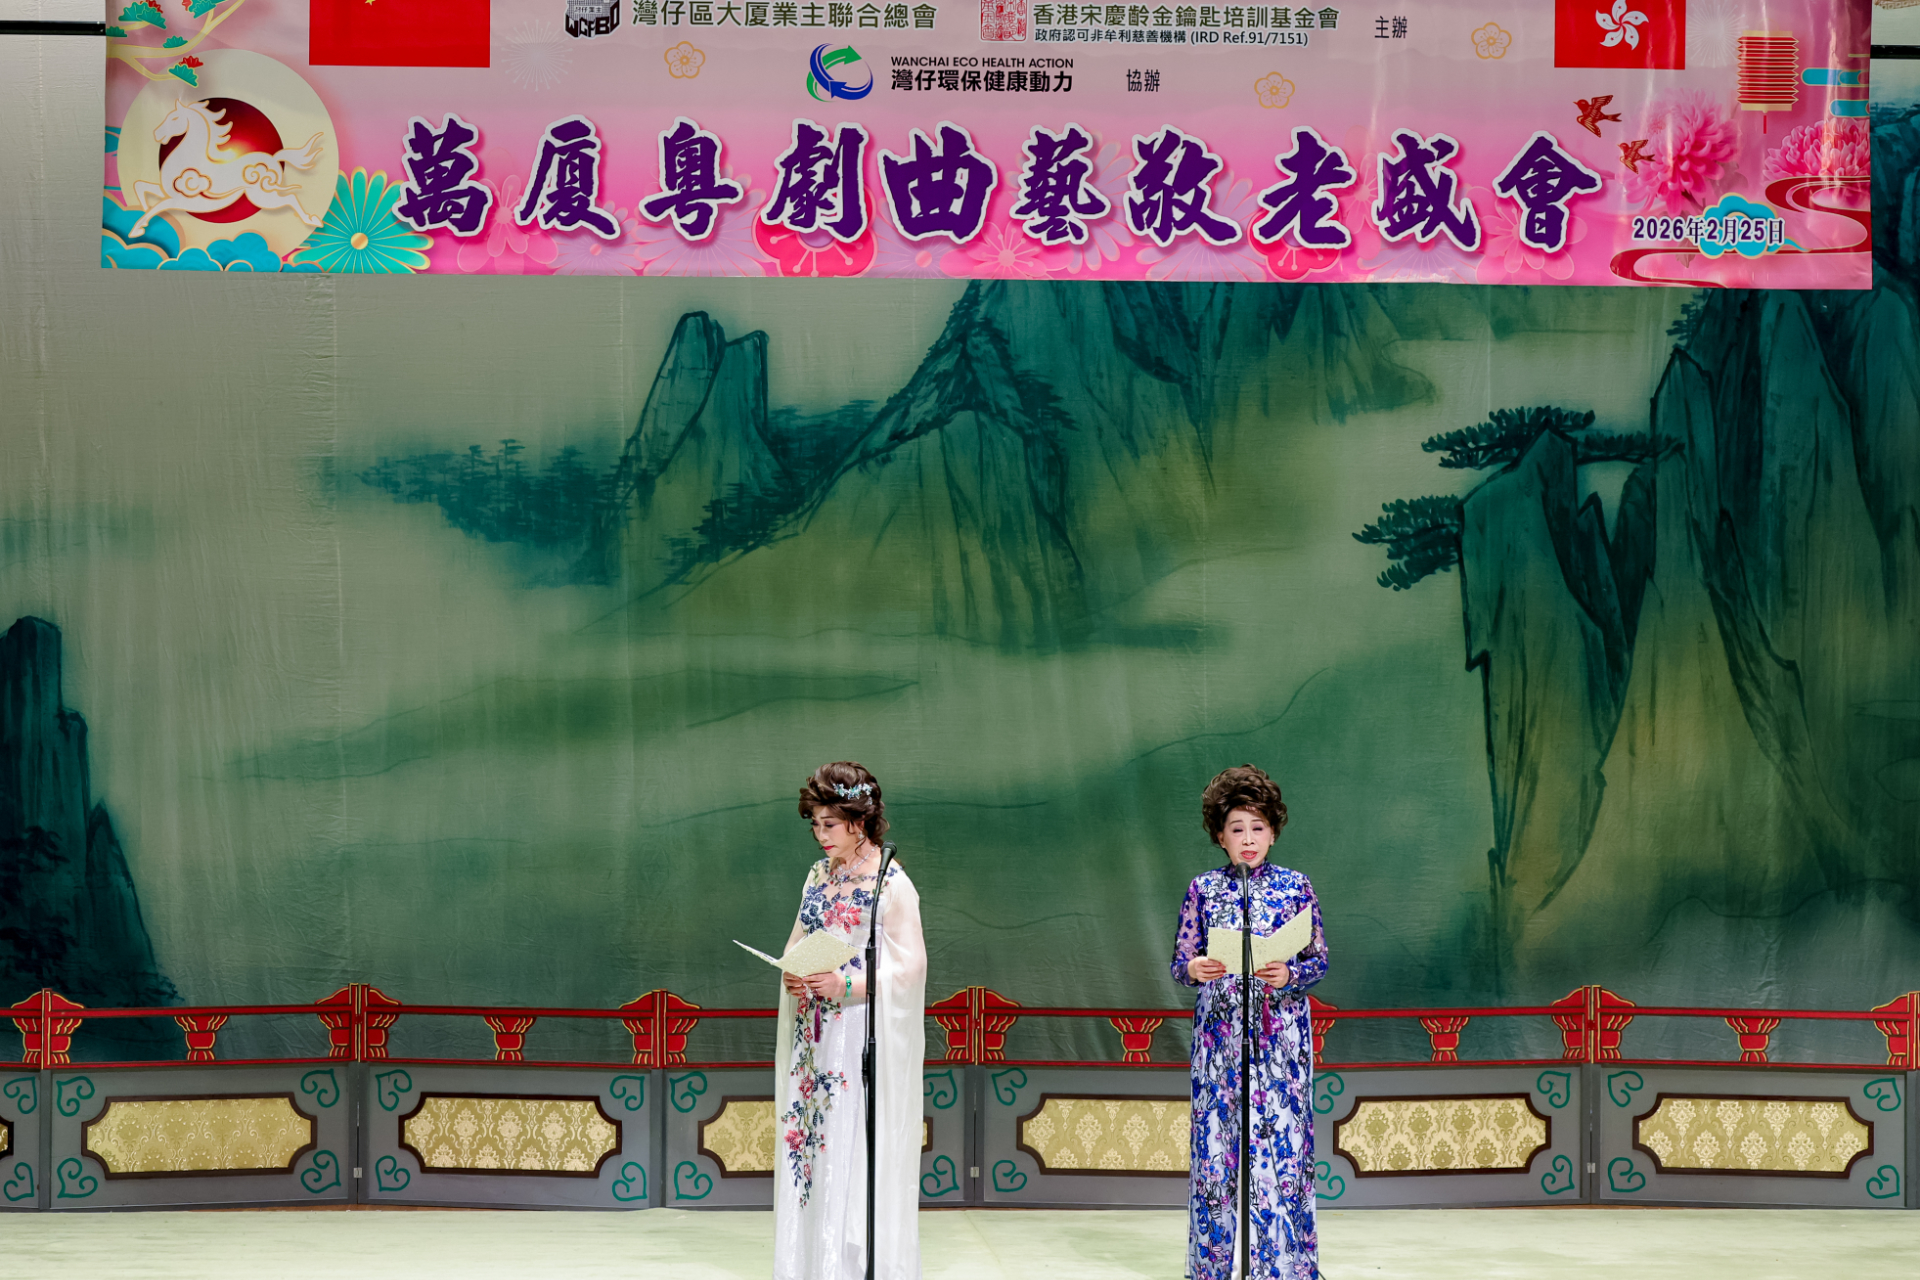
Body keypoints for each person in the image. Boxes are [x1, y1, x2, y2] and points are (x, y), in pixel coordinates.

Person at [1170, 764, 1328, 1280]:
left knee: (1283, 1150)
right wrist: (1195, 968)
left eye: (1258, 827)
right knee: (1216, 1153)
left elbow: (1319, 959)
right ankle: (1211, 1268)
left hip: (1279, 1037)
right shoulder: (1203, 889)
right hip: (1219, 1037)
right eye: (1236, 828)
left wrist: (1291, 973)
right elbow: (1180, 962)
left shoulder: (1296, 886)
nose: (1248, 839)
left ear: (1273, 832)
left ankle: (1285, 1268)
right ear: (1220, 835)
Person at [774, 761, 927, 1280]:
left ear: (859, 823)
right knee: (809, 1143)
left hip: (857, 1033)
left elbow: (910, 968)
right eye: (815, 825)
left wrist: (847, 986)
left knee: (847, 1142)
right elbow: (797, 941)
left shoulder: (891, 882)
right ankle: (810, 1264)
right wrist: (793, 974)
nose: (821, 835)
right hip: (813, 1034)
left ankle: (852, 1264)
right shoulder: (818, 875)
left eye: (830, 824)